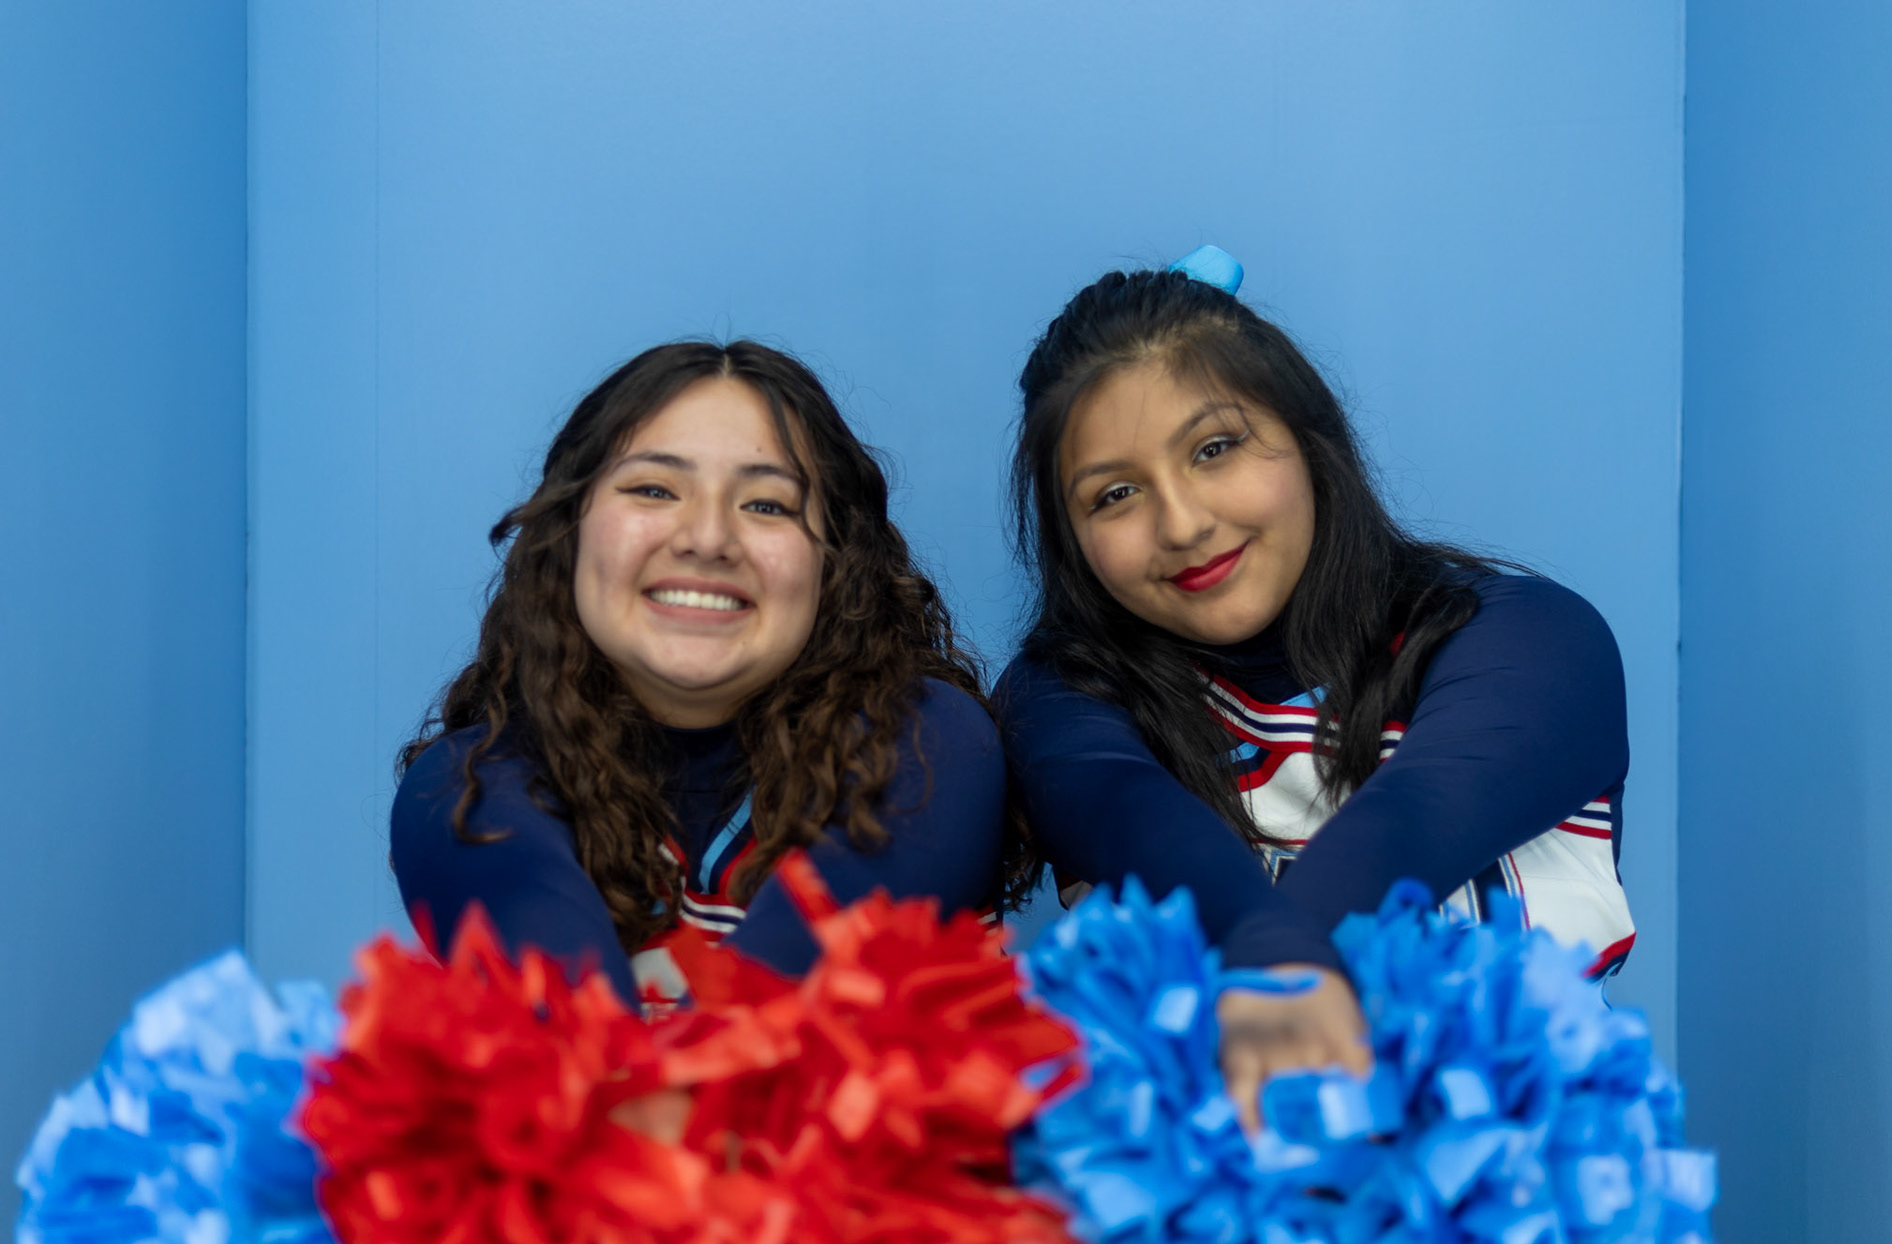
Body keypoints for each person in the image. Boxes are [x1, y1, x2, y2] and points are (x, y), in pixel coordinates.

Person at [995, 249, 1635, 1129]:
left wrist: (1277, 960)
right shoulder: (1064, 700)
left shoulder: (1529, 640)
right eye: (1115, 495)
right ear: (1072, 540)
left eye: (1215, 448)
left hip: (1523, 1225)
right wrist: (1273, 952)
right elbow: (1139, 822)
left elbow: (1410, 822)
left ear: (1307, 435)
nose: (1182, 522)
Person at [390, 340, 1011, 1011]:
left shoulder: (932, 742)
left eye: (767, 504)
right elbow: (577, 1042)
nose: (707, 537)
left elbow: (771, 1008)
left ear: (834, 564)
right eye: (654, 489)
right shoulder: (464, 789)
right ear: (568, 536)